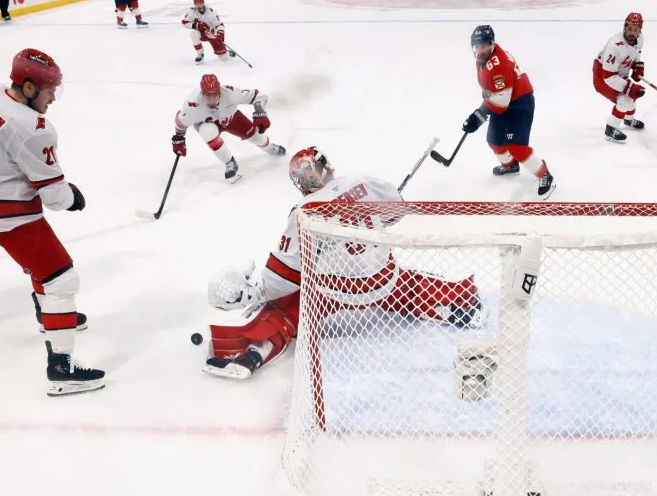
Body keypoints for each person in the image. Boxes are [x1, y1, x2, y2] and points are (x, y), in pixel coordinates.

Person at [202, 146, 484, 380]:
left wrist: (258, 292)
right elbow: (397, 211)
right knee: (410, 285)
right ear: (326, 167)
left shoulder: (304, 210)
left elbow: (285, 275)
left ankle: (254, 354)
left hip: (335, 290)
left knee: (284, 309)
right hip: (384, 278)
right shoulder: (359, 181)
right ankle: (458, 304)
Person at [0, 48, 104, 397]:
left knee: (41, 262)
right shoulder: (34, 128)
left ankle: (48, 316)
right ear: (28, 88)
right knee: (61, 278)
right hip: (1, 210)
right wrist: (73, 197)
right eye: (48, 91)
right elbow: (55, 198)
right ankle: (62, 369)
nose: (53, 98)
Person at [461, 24, 555, 199]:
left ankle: (545, 175)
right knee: (495, 141)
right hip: (504, 98)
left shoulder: (499, 65)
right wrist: (480, 112)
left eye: (483, 46)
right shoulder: (484, 58)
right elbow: (495, 94)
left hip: (520, 103)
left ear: (491, 44)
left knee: (516, 146)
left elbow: (502, 102)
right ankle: (511, 166)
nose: (479, 50)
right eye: (477, 46)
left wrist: (479, 114)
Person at [172, 73, 286, 182]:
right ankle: (229, 162)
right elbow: (180, 122)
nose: (211, 100)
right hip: (206, 124)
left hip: (231, 118)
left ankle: (268, 147)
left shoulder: (230, 93)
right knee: (208, 133)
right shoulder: (192, 104)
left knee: (257, 138)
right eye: (208, 96)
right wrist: (179, 139)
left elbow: (257, 96)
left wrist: (260, 111)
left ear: (220, 92)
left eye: (214, 95)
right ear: (201, 93)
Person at [593, 12, 646, 143]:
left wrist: (637, 65)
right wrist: (630, 87)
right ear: (624, 27)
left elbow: (636, 51)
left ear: (640, 30)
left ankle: (628, 119)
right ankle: (610, 129)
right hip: (603, 76)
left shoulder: (640, 39)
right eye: (629, 29)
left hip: (619, 73)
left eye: (635, 29)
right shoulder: (614, 45)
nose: (632, 32)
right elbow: (609, 77)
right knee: (625, 100)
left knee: (631, 96)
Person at [181, 0, 234, 64]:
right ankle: (200, 54)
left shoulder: (211, 11)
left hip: (212, 34)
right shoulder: (191, 12)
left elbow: (219, 24)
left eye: (200, 3)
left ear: (203, 2)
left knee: (224, 58)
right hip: (202, 34)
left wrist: (220, 34)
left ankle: (227, 53)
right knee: (193, 33)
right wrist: (197, 25)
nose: (199, 5)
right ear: (194, 4)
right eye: (197, 4)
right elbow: (185, 22)